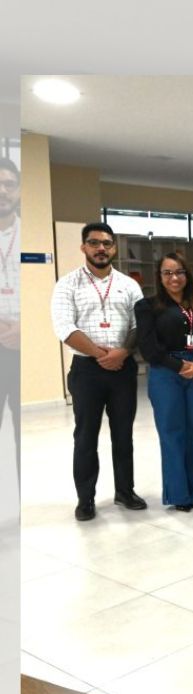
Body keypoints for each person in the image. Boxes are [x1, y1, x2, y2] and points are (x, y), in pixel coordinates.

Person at [50, 222, 146, 521]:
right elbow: (65, 328)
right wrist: (101, 354)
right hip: (87, 371)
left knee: (123, 434)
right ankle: (86, 498)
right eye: (94, 243)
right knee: (86, 436)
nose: (101, 248)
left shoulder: (129, 285)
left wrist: (123, 352)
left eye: (106, 243)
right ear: (84, 247)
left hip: (123, 369)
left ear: (114, 247)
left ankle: (125, 491)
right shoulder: (67, 284)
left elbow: (138, 325)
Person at [135, 252, 193, 512]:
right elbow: (148, 349)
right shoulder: (147, 307)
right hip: (165, 373)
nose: (174, 278)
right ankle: (179, 494)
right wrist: (179, 365)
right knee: (172, 433)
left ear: (187, 274)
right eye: (167, 273)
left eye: (179, 272)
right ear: (159, 277)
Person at [0, 156, 20, 481]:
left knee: (19, 435)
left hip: (22, 351)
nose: (3, 190)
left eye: (9, 184)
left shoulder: (32, 235)